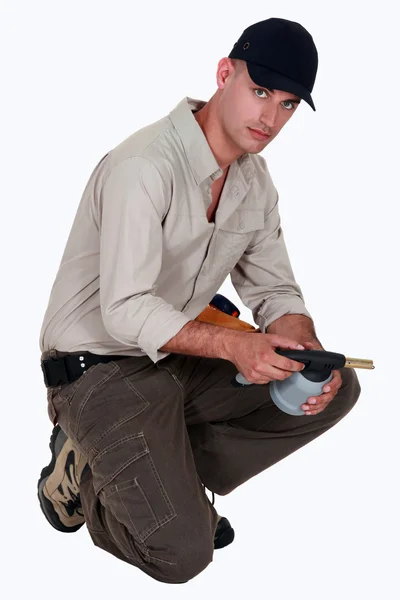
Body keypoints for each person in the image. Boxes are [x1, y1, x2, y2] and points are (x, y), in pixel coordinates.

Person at [37, 17, 361, 584]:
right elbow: (125, 310)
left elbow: (276, 291)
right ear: (224, 73)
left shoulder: (254, 182)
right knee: (182, 554)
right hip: (98, 368)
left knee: (334, 390)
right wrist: (234, 347)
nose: (270, 117)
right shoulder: (144, 167)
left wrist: (303, 346)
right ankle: (86, 471)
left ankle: (165, 474)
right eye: (260, 91)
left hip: (176, 360)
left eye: (287, 104)